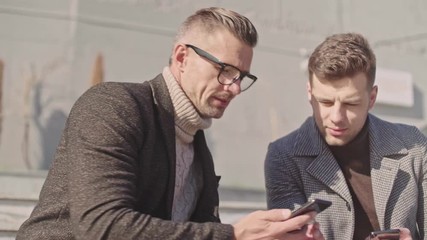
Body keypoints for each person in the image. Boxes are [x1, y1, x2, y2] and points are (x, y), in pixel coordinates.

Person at [17, 7, 324, 240]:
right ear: (181, 57)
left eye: (241, 77)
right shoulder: (113, 105)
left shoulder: (197, 147)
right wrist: (233, 234)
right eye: (225, 70)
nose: (233, 87)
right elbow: (102, 226)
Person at [264, 32, 426, 240]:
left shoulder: (414, 146)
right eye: (325, 102)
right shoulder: (283, 156)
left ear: (372, 98)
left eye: (351, 104)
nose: (336, 117)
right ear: (309, 94)